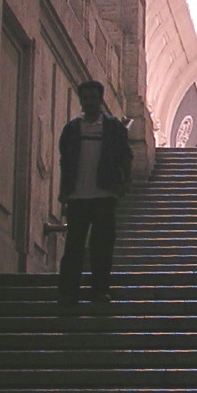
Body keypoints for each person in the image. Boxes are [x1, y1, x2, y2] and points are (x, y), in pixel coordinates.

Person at [57, 80, 132, 310]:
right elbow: (65, 161)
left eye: (93, 97)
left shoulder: (112, 128)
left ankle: (100, 290)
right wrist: (64, 192)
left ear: (100, 100)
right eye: (85, 97)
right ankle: (69, 293)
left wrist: (123, 184)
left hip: (104, 195)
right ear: (81, 99)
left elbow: (125, 156)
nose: (89, 102)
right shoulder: (72, 129)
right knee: (73, 248)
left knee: (102, 247)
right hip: (77, 196)